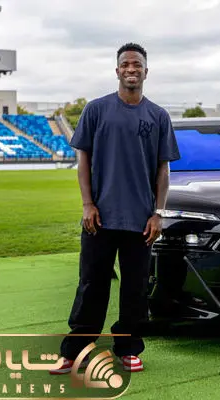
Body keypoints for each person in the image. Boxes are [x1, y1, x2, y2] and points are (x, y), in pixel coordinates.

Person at [50, 42, 180, 374]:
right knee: (91, 285)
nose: (131, 69)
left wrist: (159, 213)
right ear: (117, 70)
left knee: (135, 289)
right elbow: (83, 161)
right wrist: (87, 204)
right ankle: (76, 349)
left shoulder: (158, 116)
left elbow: (163, 170)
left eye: (137, 64)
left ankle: (129, 347)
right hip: (100, 218)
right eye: (125, 64)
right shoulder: (96, 110)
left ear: (146, 72)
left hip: (141, 220)